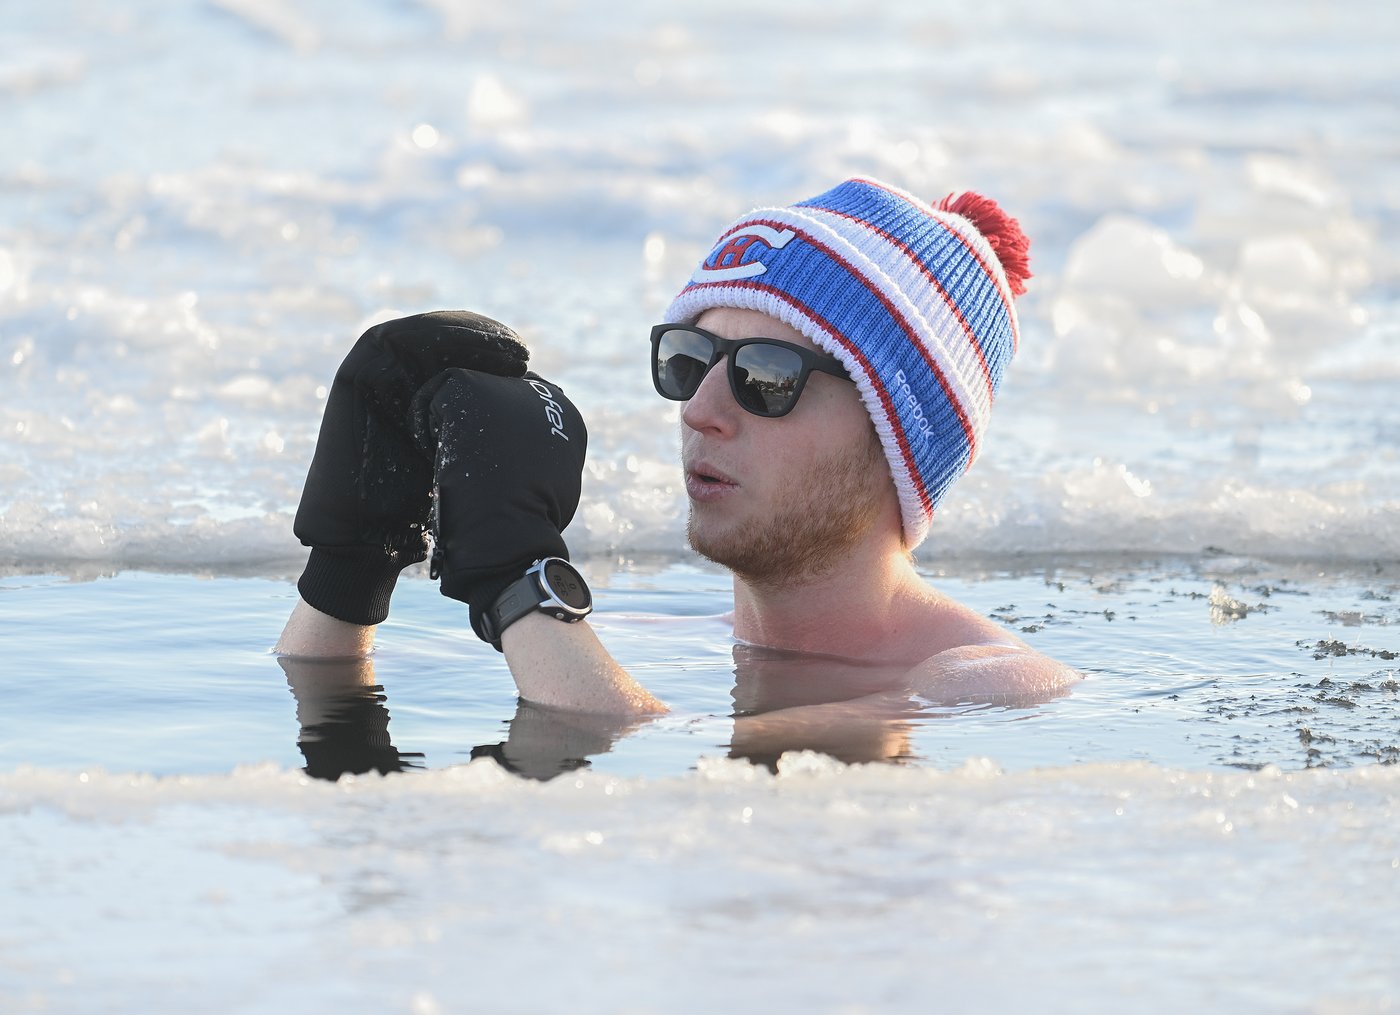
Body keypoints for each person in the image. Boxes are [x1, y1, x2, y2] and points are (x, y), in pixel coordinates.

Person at [275, 176, 1079, 752]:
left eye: (766, 378)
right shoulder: (673, 635)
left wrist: (520, 579)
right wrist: (354, 563)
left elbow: (646, 742)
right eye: (691, 361)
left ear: (896, 437)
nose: (700, 411)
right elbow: (319, 686)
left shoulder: (987, 679)